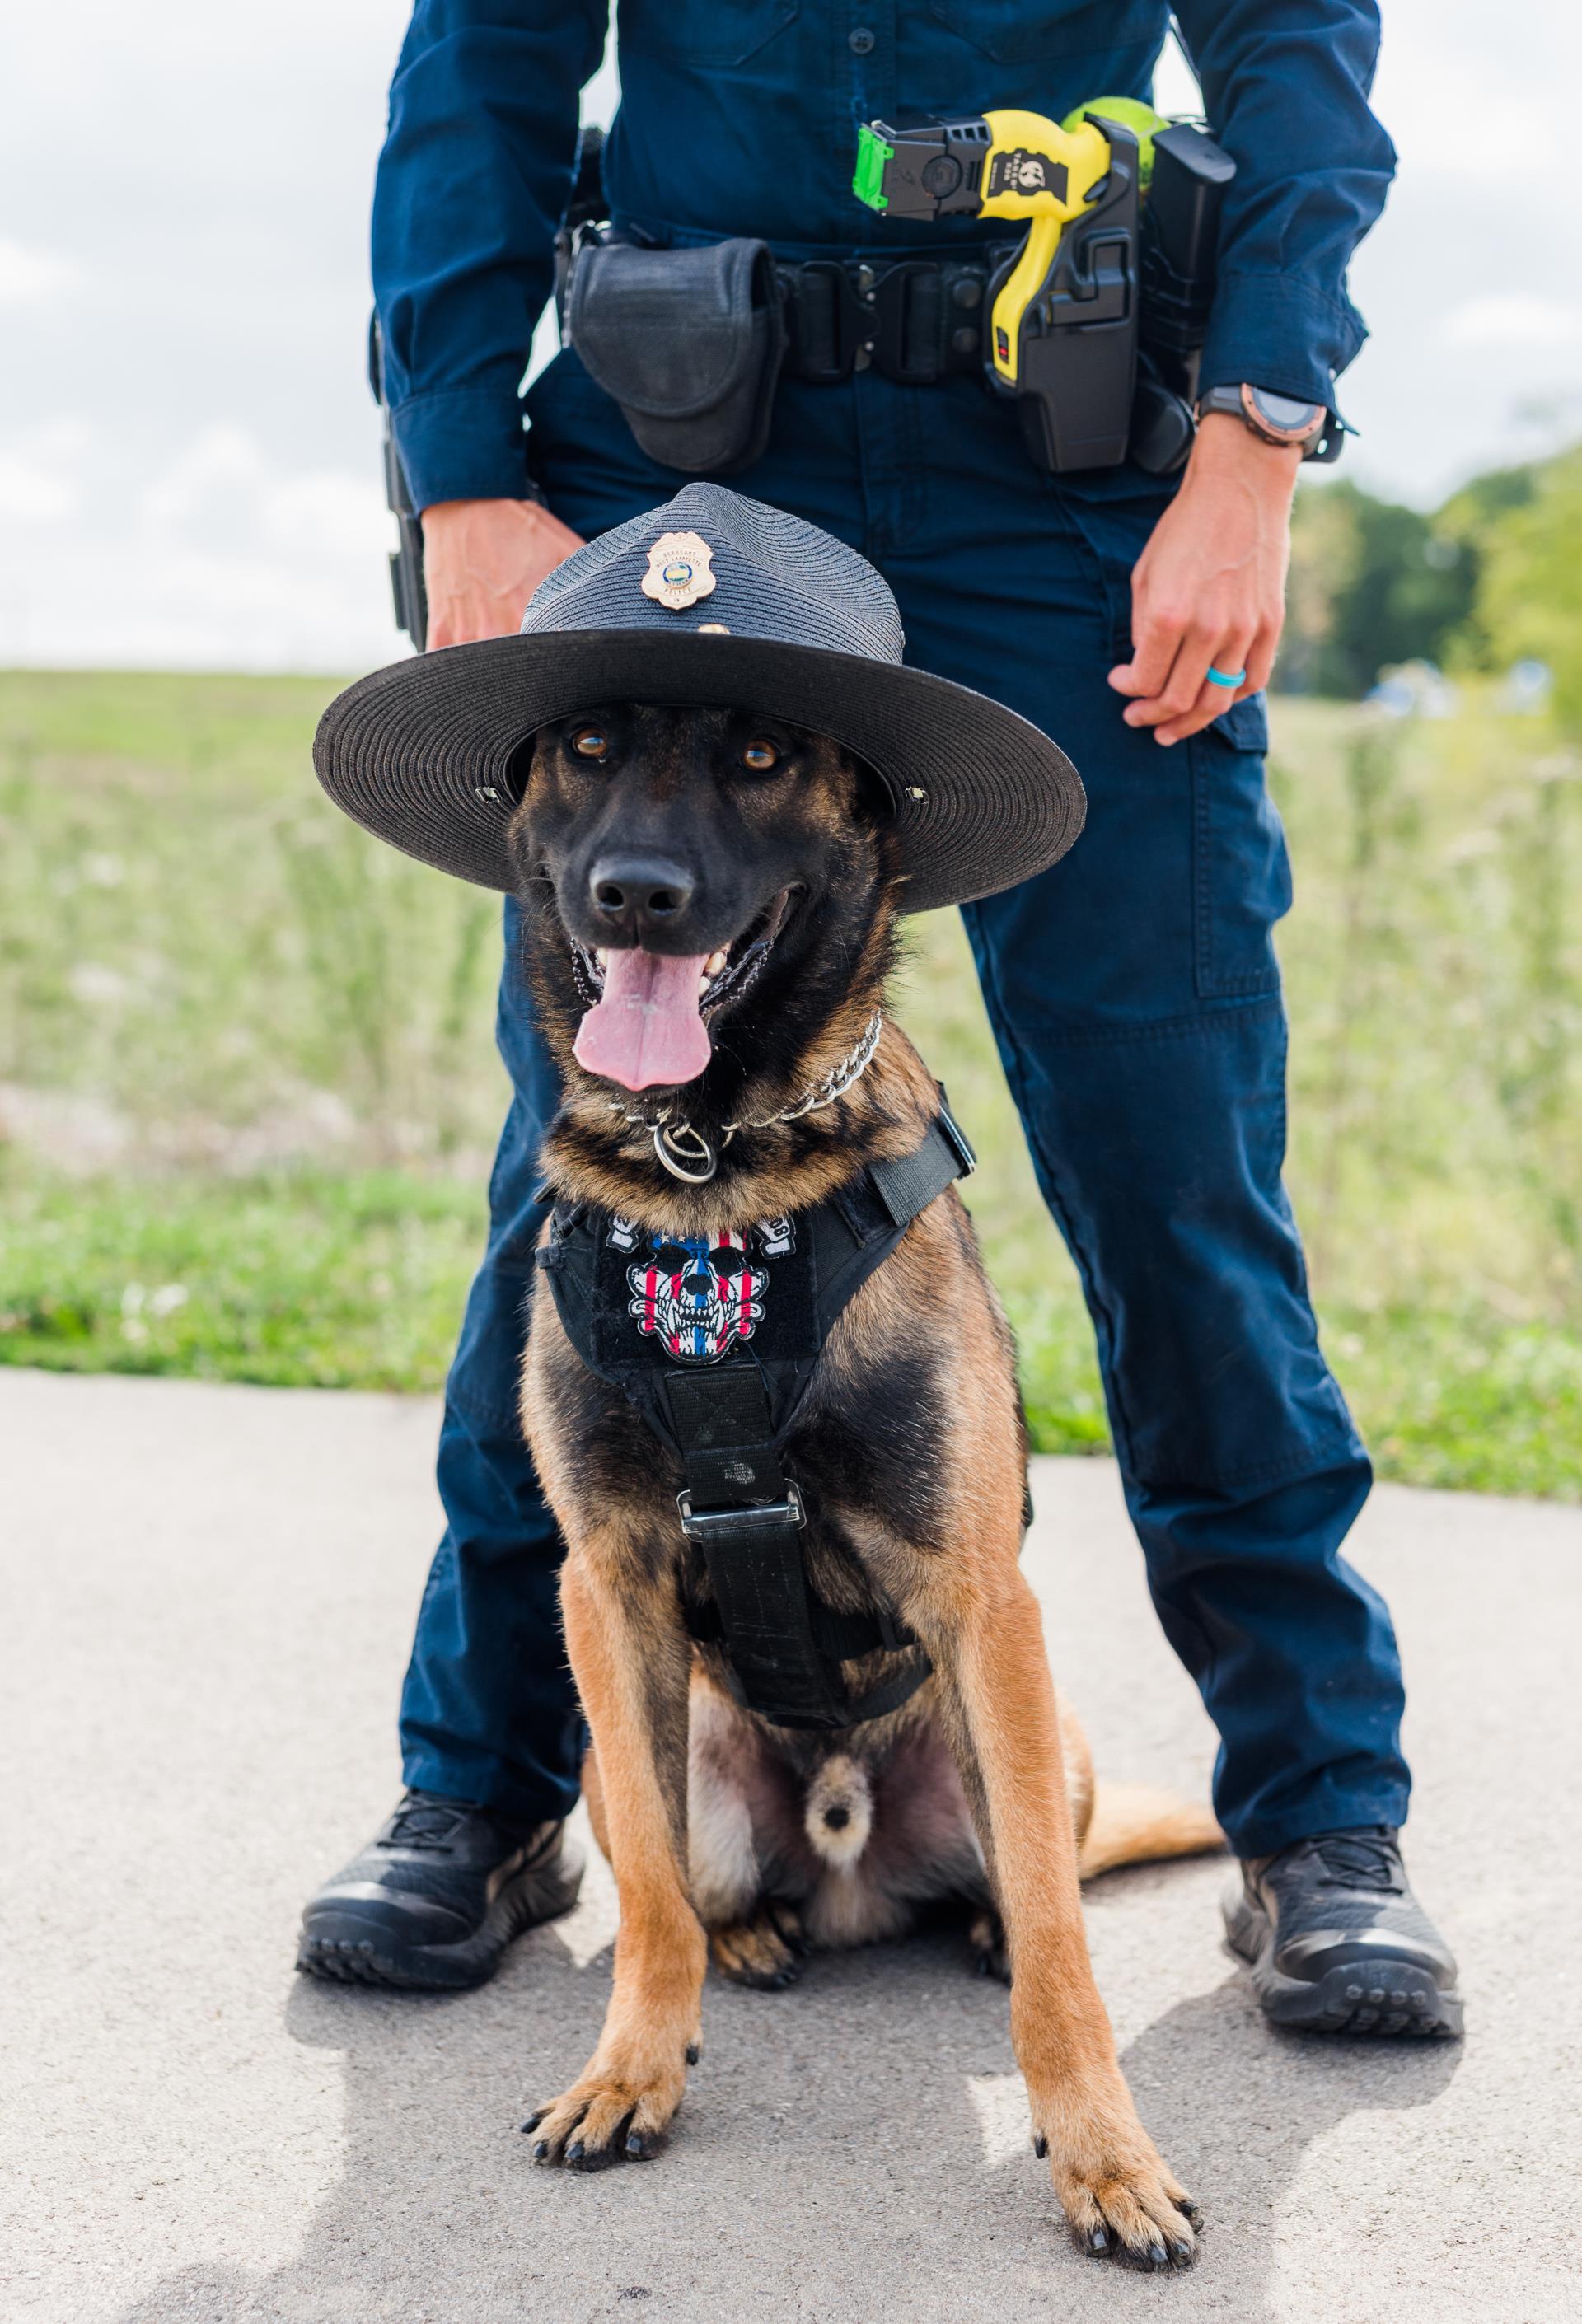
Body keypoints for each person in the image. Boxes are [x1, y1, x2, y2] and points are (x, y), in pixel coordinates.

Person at [299, 0, 1461, 2038]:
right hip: (678, 453)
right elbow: (479, 62)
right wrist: (461, 465)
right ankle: (479, 1793)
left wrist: (1256, 439)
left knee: (1180, 1169)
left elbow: (1299, 63)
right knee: (592, 1162)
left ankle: (1321, 1822)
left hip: (1071, 477)